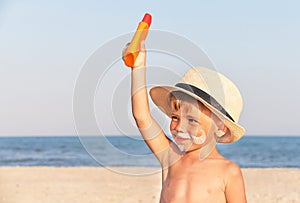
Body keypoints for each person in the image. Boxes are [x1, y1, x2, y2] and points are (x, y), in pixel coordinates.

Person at [123, 41, 247, 203]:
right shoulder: (171, 157)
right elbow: (142, 117)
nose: (179, 127)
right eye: (175, 117)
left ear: (220, 128)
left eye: (192, 120)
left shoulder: (228, 172)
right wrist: (138, 67)